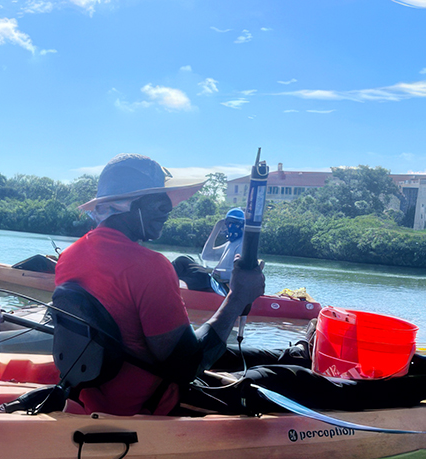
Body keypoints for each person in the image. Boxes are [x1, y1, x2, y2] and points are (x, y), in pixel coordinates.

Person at [56, 153, 426, 417]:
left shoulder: (72, 256)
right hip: (149, 401)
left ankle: (301, 352)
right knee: (288, 380)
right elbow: (188, 366)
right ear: (129, 206)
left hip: (105, 391)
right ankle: (414, 388)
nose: (169, 211)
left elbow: (165, 346)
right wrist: (236, 298)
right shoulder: (149, 266)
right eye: (161, 204)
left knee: (244, 356)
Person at [172, 208, 245, 294]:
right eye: (229, 223)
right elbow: (206, 255)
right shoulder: (231, 243)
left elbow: (238, 274)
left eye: (235, 223)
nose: (230, 227)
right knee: (182, 260)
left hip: (220, 286)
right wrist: (217, 228)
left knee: (196, 276)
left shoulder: (243, 245)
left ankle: (170, 288)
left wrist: (213, 272)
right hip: (213, 280)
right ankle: (162, 279)